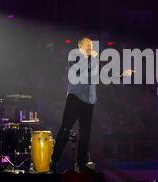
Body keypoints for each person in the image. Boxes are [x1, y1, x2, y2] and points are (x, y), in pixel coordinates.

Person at [50, 37, 133, 173]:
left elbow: (106, 75)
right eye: (88, 45)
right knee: (65, 128)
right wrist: (91, 59)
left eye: (92, 45)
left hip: (88, 101)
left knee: (85, 134)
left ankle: (81, 162)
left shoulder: (93, 61)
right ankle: (55, 160)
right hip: (75, 98)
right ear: (80, 46)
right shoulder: (74, 56)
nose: (91, 47)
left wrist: (123, 75)